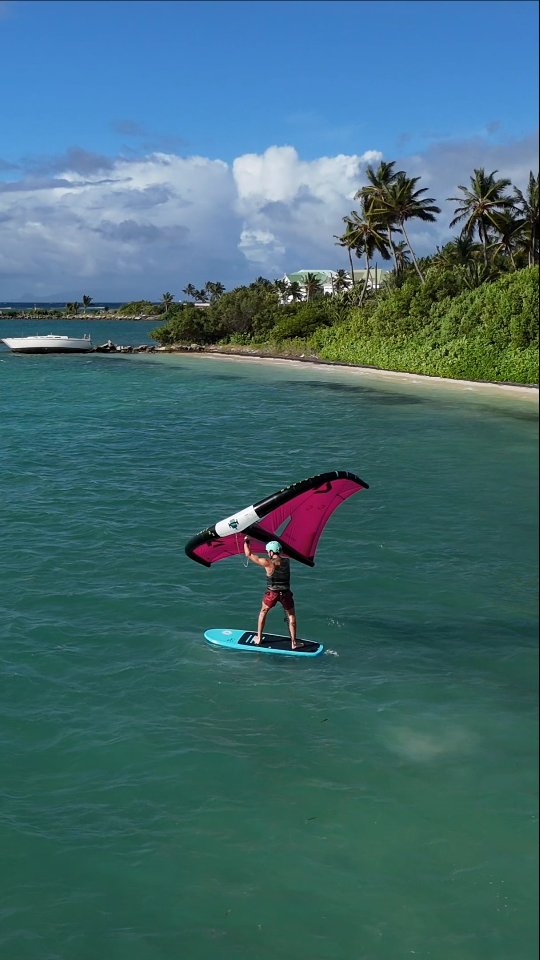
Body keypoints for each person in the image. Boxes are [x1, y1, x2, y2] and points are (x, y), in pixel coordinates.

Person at [243, 537, 300, 649]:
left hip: (272, 593)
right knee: (291, 616)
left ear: (271, 552)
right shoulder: (287, 561)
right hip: (285, 593)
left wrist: (246, 541)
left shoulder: (267, 562)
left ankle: (259, 638)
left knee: (263, 612)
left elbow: (248, 554)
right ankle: (294, 643)